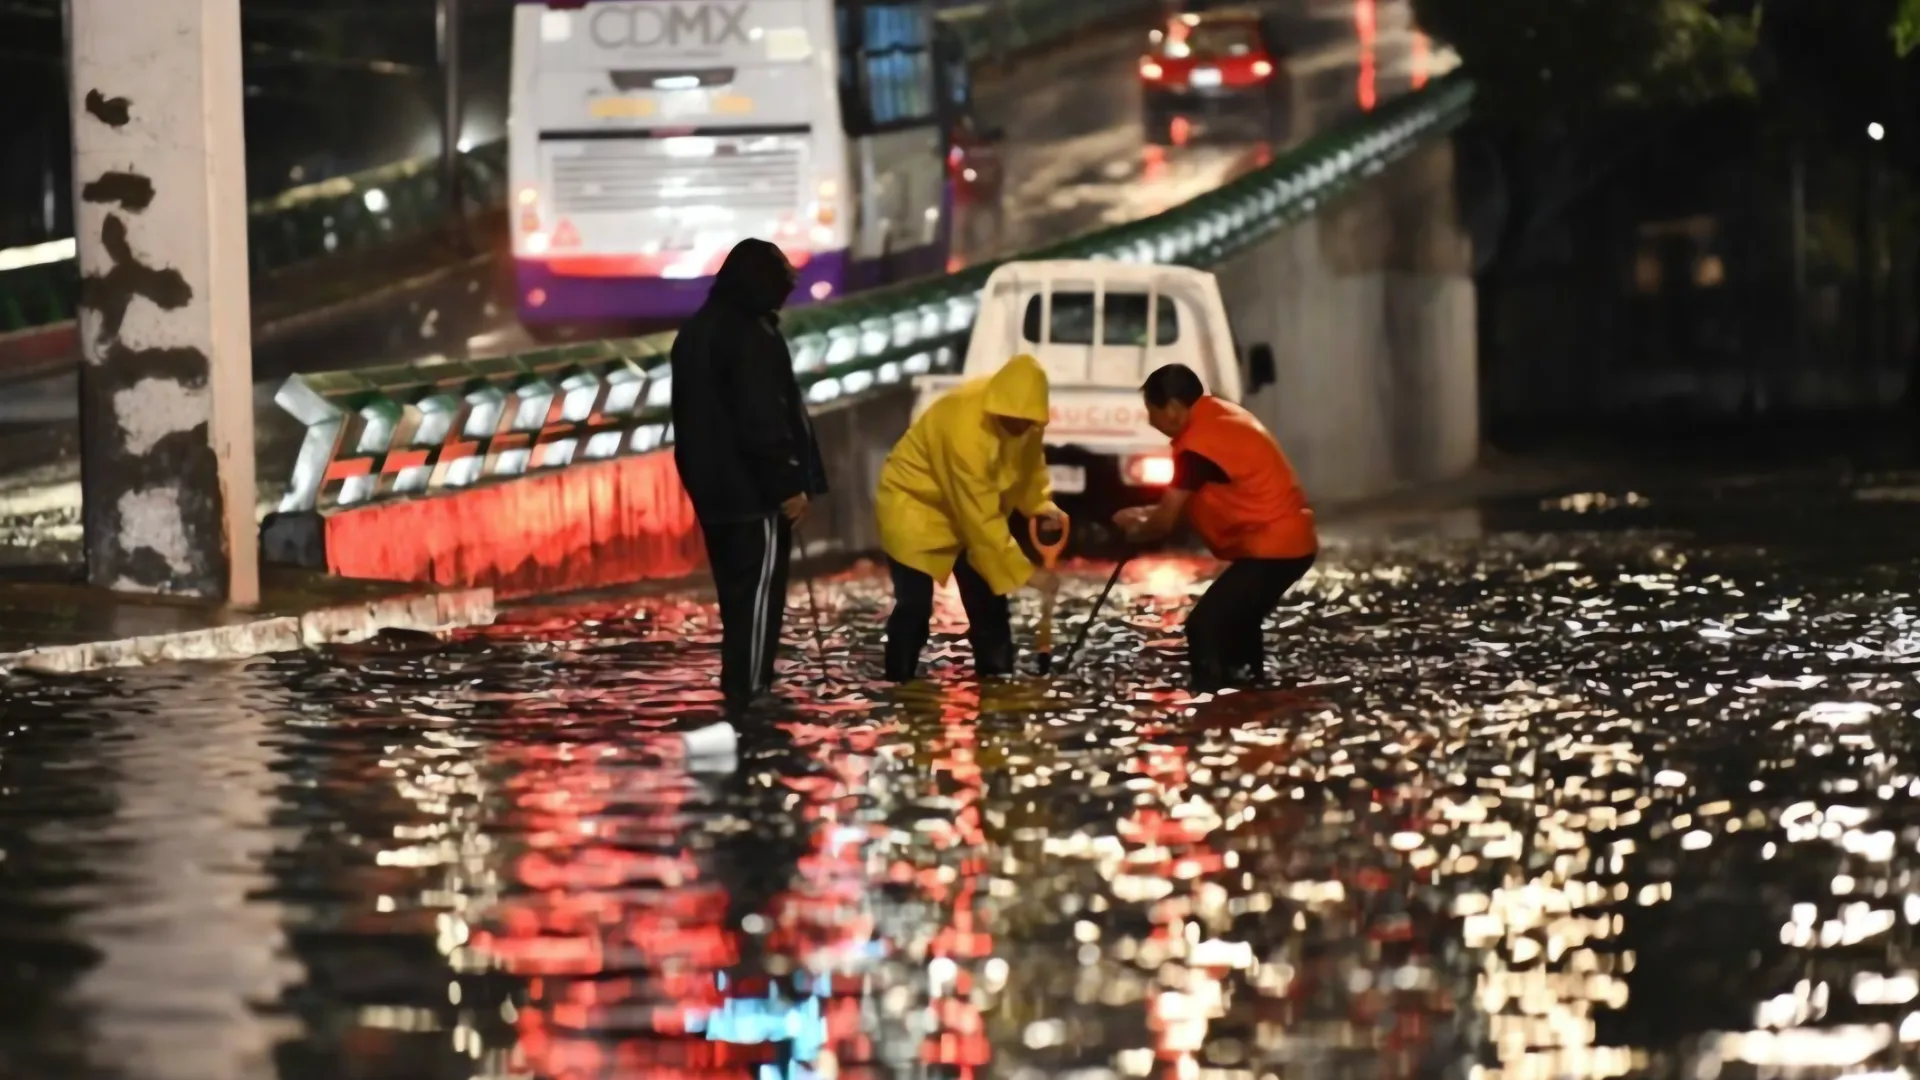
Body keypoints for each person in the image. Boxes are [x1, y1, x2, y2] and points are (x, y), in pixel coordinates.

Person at [670, 238, 829, 714]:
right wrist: (788, 484)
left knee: (737, 599)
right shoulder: (749, 334)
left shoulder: (696, 331)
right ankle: (751, 693)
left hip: (712, 492)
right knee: (758, 599)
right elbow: (762, 417)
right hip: (752, 493)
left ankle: (740, 687)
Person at [1113, 363, 1317, 691]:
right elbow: (1181, 505)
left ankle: (1210, 704)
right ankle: (1249, 698)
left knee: (1205, 626)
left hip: (1274, 548)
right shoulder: (1220, 418)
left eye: (1151, 411)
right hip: (1288, 543)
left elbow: (1165, 522)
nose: (1151, 421)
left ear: (1175, 409)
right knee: (1238, 622)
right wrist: (1141, 514)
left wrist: (1137, 531)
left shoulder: (1197, 446)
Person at [876, 353, 1066, 681]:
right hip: (915, 506)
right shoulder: (964, 428)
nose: (1020, 427)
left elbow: (1030, 469)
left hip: (970, 512)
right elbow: (981, 522)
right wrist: (1029, 575)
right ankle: (899, 684)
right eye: (1012, 419)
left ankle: (997, 684)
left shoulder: (1028, 423)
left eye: (1027, 421)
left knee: (990, 605)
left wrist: (1041, 506)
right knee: (914, 607)